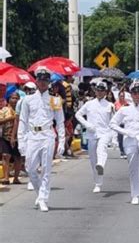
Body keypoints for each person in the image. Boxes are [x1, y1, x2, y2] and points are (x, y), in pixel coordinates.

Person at [17, 66, 65, 211]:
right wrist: (21, 141)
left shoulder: (55, 100)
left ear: (49, 82)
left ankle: (43, 198)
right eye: (40, 80)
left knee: (46, 168)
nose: (42, 83)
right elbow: (23, 121)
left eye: (45, 80)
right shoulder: (28, 100)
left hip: (47, 135)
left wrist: (62, 141)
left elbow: (60, 122)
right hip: (32, 135)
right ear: (36, 81)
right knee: (30, 168)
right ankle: (40, 193)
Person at [109, 81, 139, 205]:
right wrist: (125, 132)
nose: (137, 95)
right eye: (134, 92)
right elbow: (112, 124)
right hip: (129, 137)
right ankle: (135, 194)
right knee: (133, 168)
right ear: (130, 94)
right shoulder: (124, 110)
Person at [75, 80, 115, 193]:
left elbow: (113, 122)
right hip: (92, 133)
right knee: (93, 159)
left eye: (102, 90)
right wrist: (87, 124)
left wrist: (114, 138)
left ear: (106, 92)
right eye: (98, 90)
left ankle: (101, 165)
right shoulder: (89, 104)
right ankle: (98, 182)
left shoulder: (110, 105)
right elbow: (78, 115)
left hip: (105, 133)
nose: (100, 92)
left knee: (101, 149)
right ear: (95, 91)